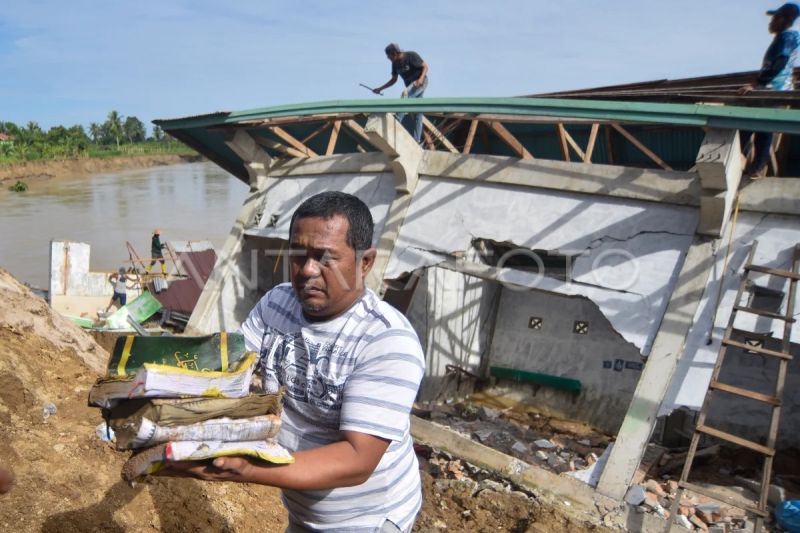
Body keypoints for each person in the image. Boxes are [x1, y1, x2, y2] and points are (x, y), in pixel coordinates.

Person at [160, 192, 425, 532]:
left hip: (365, 520)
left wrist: (247, 468)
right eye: (298, 255)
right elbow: (225, 366)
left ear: (365, 262)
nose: (308, 270)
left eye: (325, 258)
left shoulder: (385, 341)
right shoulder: (277, 304)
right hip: (303, 509)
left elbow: (358, 460)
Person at [739, 3, 800, 177]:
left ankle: (754, 165)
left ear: (785, 20)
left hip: (774, 88)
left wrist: (757, 84)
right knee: (761, 126)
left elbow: (780, 62)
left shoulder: (788, 37)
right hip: (774, 89)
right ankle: (754, 165)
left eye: (775, 18)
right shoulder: (786, 36)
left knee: (753, 123)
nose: (770, 22)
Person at [373, 43, 429, 143]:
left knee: (405, 95)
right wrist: (380, 88)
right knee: (418, 113)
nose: (388, 58)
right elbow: (394, 80)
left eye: (388, 55)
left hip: (420, 82)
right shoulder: (395, 64)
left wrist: (420, 79)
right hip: (411, 86)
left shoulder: (411, 56)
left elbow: (425, 66)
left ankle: (397, 121)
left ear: (395, 53)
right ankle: (417, 140)